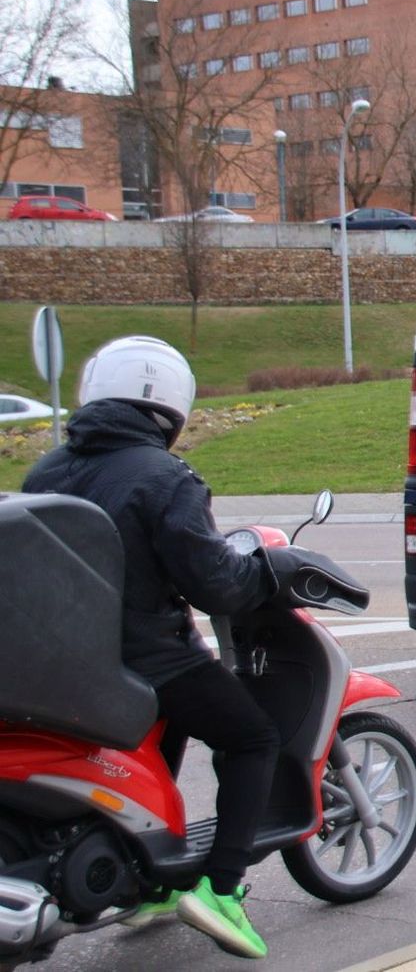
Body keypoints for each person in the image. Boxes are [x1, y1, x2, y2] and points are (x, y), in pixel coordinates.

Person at [23, 336, 278, 960]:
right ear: (171, 405)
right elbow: (211, 580)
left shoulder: (46, 470)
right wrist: (264, 575)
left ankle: (153, 878)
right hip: (145, 658)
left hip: (55, 664)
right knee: (253, 738)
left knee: (169, 729)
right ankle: (222, 888)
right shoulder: (166, 478)